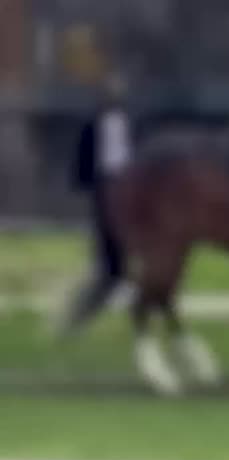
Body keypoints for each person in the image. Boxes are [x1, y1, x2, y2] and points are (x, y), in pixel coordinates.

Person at [61, 72, 132, 336]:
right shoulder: (94, 123)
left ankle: (119, 275)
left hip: (124, 183)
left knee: (122, 235)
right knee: (106, 235)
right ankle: (106, 274)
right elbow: (84, 155)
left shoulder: (127, 121)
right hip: (104, 185)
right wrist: (84, 183)